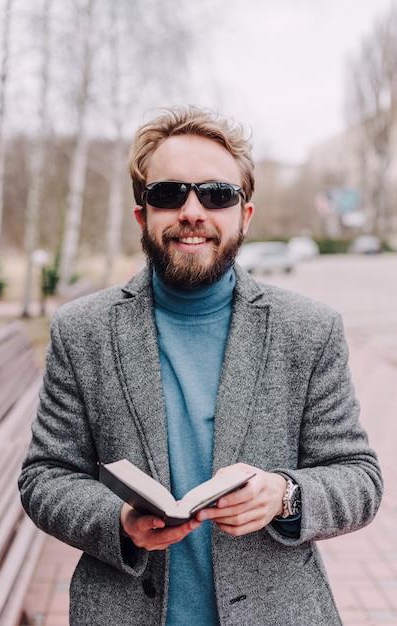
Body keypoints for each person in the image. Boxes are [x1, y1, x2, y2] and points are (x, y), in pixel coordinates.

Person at [19, 105, 383, 626]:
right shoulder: (82, 331)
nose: (193, 211)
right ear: (143, 214)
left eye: (216, 194)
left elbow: (360, 478)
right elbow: (45, 477)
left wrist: (285, 495)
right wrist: (118, 521)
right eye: (169, 193)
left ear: (245, 215)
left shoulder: (310, 329)